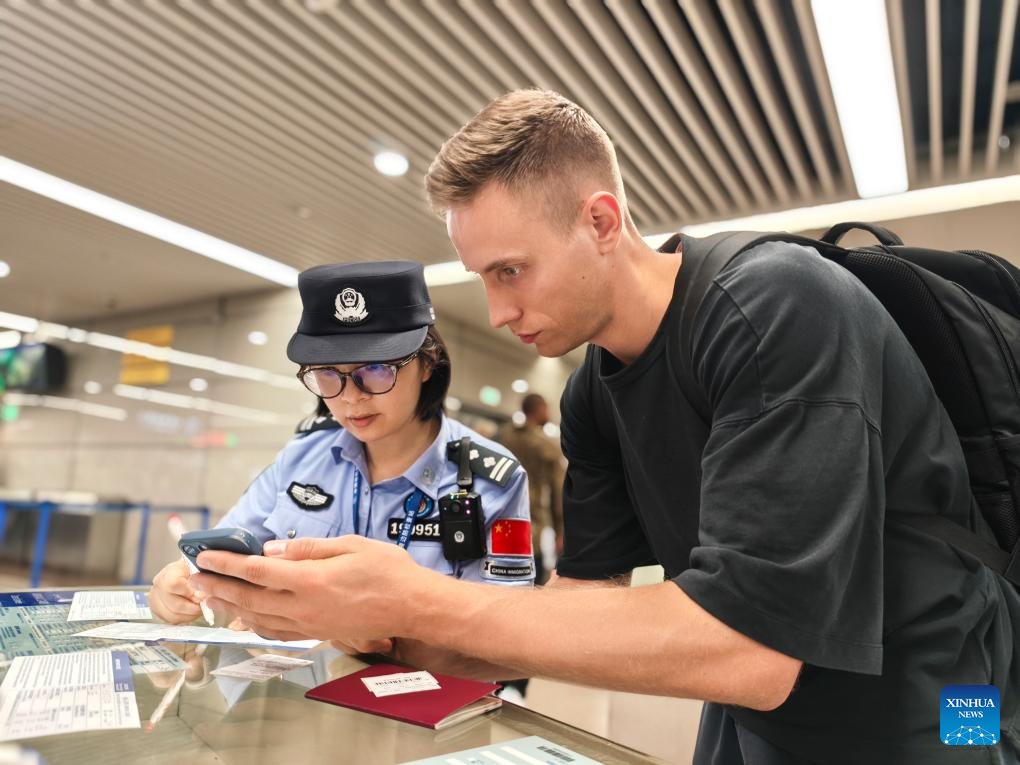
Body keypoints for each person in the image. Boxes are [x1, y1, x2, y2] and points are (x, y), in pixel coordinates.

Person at [188, 91, 1019, 764]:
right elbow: (580, 609)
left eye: (512, 270)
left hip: (943, 693)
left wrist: (419, 596)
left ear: (601, 221)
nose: (498, 310)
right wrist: (386, 631)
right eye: (483, 276)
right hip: (765, 710)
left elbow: (749, 645)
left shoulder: (772, 307)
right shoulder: (594, 393)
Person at [149, 260, 535, 626]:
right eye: (327, 373)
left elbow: (508, 629)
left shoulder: (492, 481)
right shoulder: (302, 457)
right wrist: (181, 583)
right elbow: (222, 556)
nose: (351, 398)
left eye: (376, 370)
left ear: (427, 363)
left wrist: (378, 626)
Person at [497, 393, 564, 584]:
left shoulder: (503, 436)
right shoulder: (546, 446)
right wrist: (560, 531)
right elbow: (558, 492)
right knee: (532, 580)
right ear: (540, 409)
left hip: (500, 516)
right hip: (531, 521)